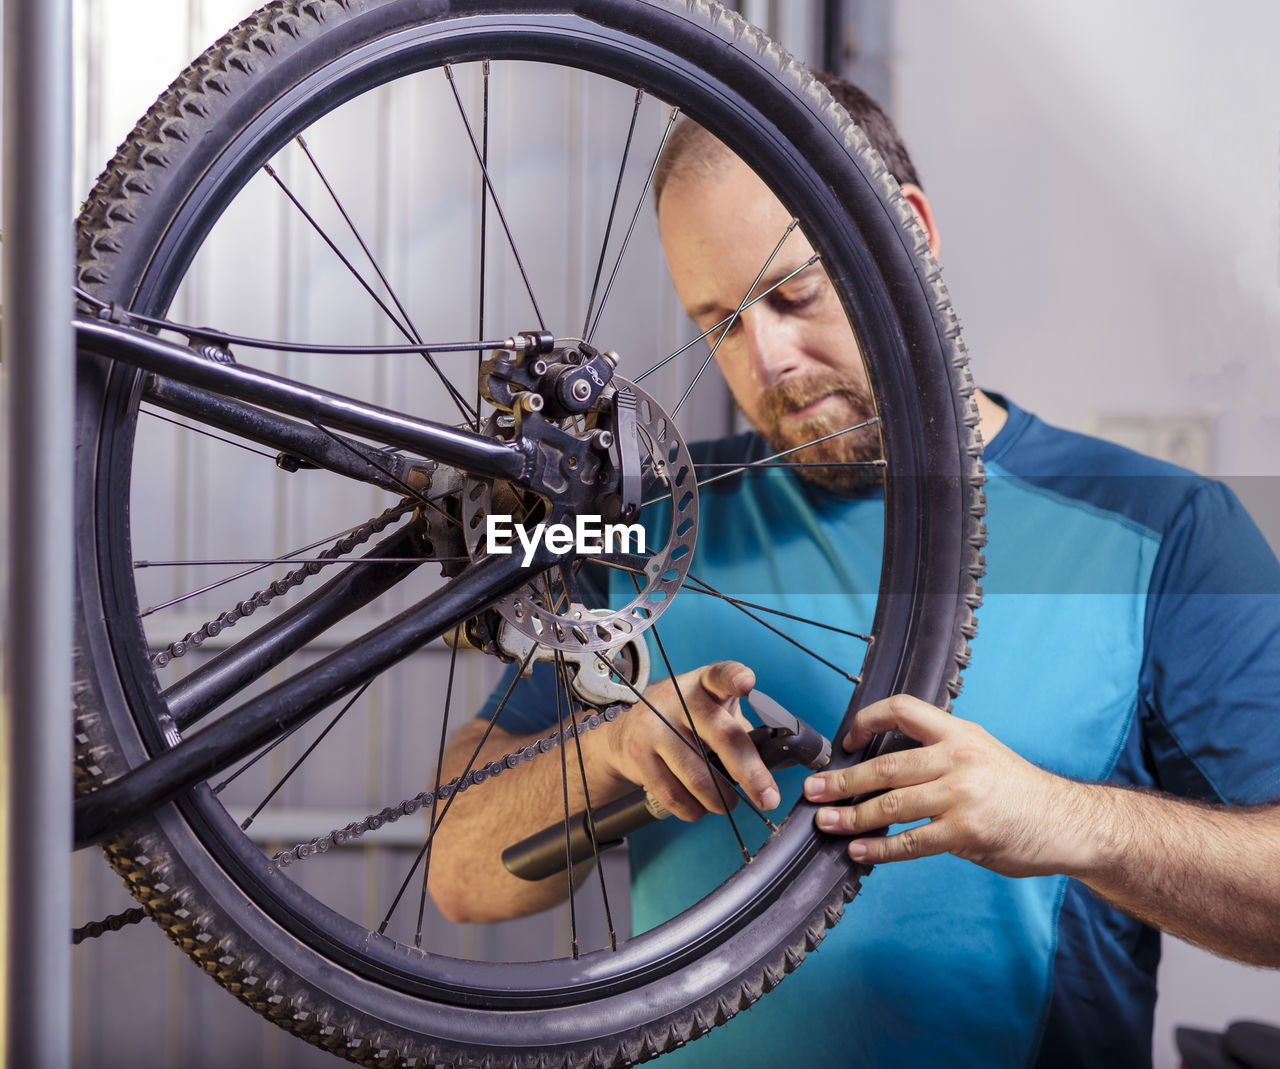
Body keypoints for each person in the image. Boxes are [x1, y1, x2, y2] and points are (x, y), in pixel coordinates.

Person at [427, 72, 1280, 1067]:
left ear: (907, 230)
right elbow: (458, 873)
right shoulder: (644, 529)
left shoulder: (1162, 529)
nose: (767, 360)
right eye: (718, 323)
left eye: (791, 294)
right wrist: (611, 758)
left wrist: (1054, 818)